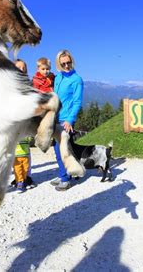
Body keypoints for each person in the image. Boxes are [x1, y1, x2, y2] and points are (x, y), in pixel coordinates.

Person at [51, 49, 84, 191]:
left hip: (66, 120)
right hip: (55, 118)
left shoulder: (77, 80)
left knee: (62, 149)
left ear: (72, 62)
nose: (66, 66)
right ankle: (63, 173)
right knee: (56, 149)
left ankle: (65, 179)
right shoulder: (58, 78)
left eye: (68, 63)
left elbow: (77, 102)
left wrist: (70, 120)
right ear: (58, 63)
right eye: (63, 63)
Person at [11, 59, 34, 192]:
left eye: (23, 67)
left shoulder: (28, 84)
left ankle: (27, 176)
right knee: (15, 151)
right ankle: (18, 177)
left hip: (26, 119)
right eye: (18, 67)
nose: (21, 69)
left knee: (26, 152)